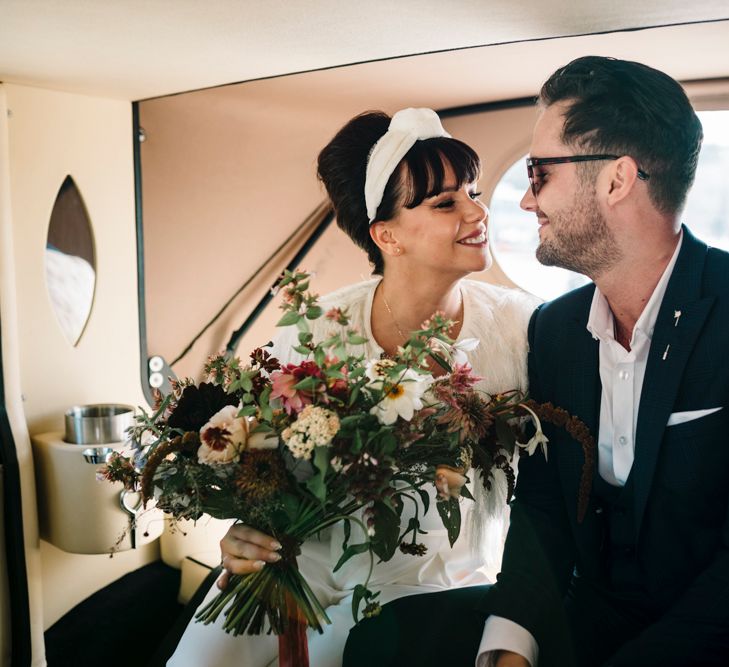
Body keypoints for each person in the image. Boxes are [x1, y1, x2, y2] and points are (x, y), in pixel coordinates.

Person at [344, 56, 729, 667]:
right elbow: (546, 500)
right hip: (590, 614)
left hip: (710, 631)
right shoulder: (556, 330)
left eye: (539, 172)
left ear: (616, 180)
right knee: (382, 643)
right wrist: (511, 645)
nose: (523, 201)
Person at [166, 108, 538, 667]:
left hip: (429, 584)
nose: (477, 211)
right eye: (445, 203)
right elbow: (263, 454)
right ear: (386, 235)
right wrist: (244, 531)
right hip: (299, 563)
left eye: (474, 193)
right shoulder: (318, 327)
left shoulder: (522, 329)